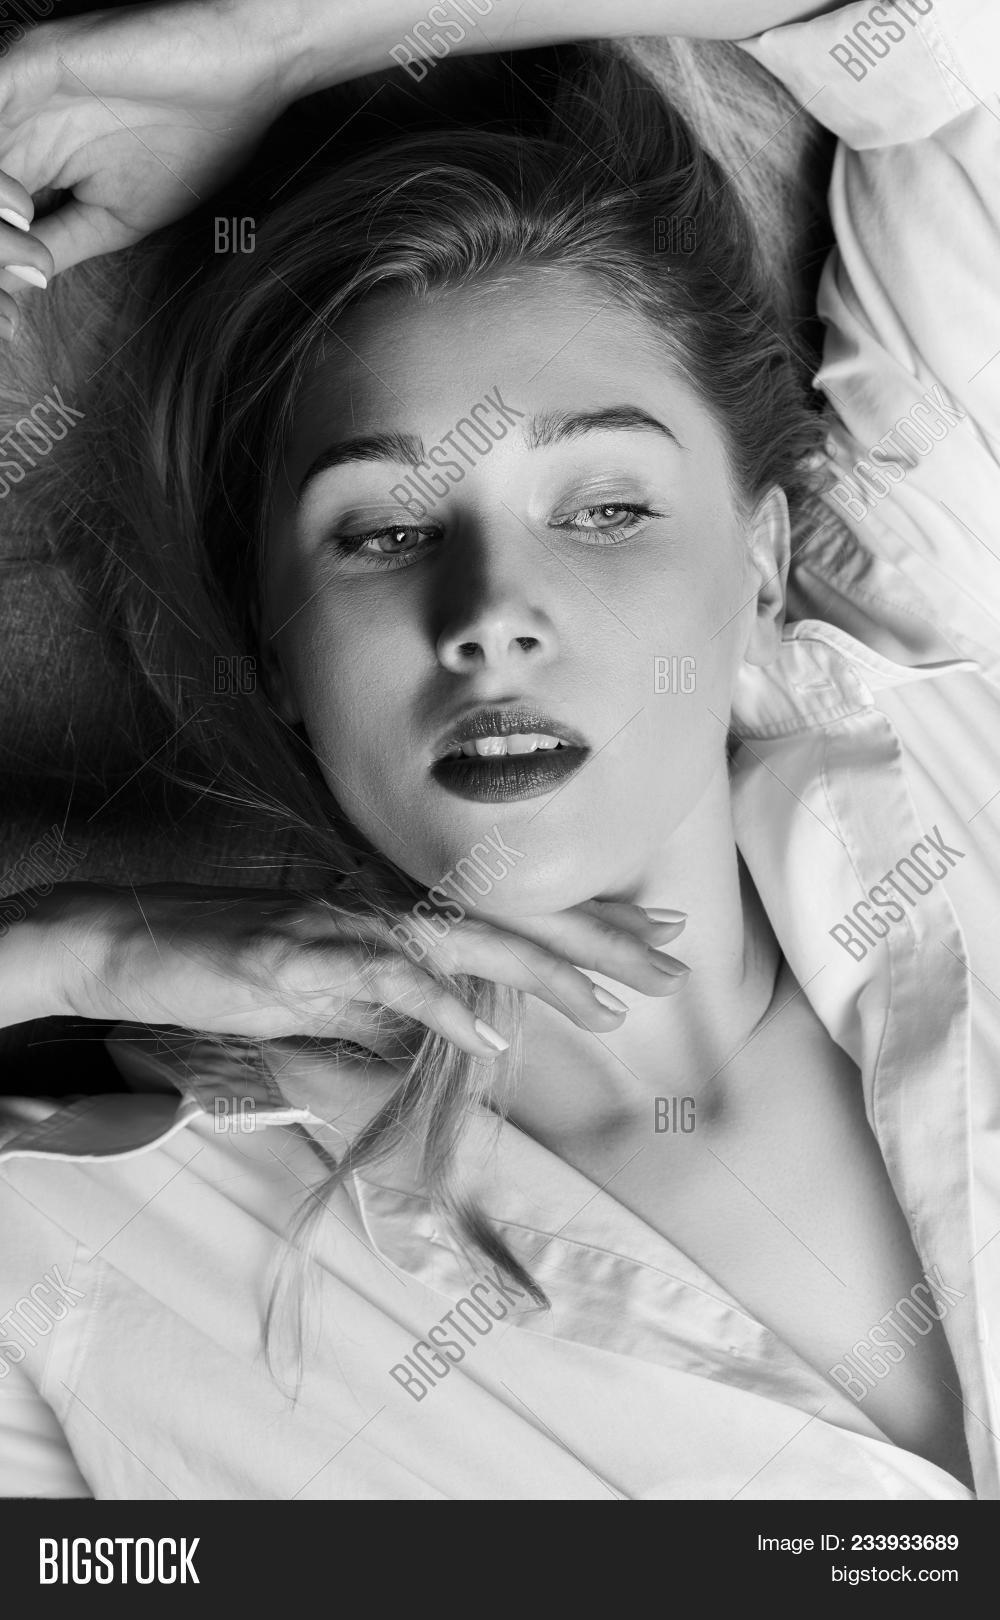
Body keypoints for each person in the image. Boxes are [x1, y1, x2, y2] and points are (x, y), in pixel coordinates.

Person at [0, 0, 996, 1500]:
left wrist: (281, 39)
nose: (488, 619)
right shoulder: (98, 1253)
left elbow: (931, 41)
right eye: (385, 533)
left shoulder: (955, 668)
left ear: (766, 563)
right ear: (277, 653)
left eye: (605, 509)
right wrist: (64, 954)